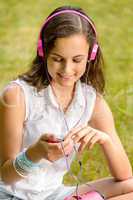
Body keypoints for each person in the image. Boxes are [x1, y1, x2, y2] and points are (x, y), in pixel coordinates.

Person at [0, 5, 133, 200]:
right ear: (42, 51)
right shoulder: (17, 96)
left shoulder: (91, 101)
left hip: (54, 194)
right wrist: (35, 153)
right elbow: (6, 175)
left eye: (77, 60)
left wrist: (105, 139)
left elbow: (124, 176)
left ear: (91, 55)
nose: (67, 69)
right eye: (58, 59)